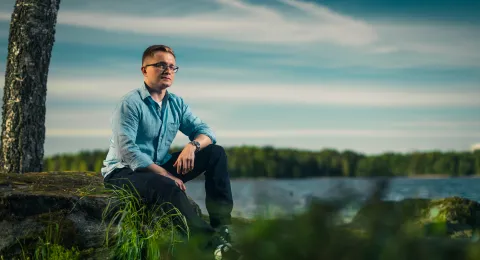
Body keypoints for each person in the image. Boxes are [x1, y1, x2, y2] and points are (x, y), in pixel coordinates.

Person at [101, 44, 241, 259]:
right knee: (165, 184)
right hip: (124, 171)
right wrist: (165, 174)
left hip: (159, 164)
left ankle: (222, 228)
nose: (167, 70)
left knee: (216, 153)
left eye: (172, 67)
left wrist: (191, 146)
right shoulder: (130, 103)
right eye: (160, 65)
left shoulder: (176, 103)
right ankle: (211, 246)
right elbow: (127, 150)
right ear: (144, 70)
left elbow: (205, 132)